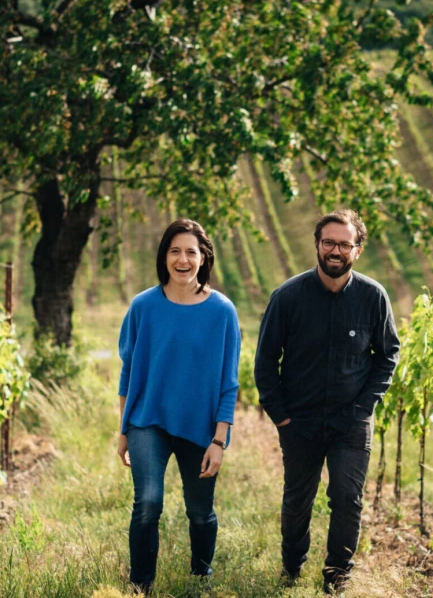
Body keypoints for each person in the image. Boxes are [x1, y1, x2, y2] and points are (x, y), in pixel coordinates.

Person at [253, 209, 400, 594]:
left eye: (344, 244)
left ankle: (337, 575)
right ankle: (292, 567)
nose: (336, 250)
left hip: (351, 421)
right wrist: (280, 416)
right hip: (298, 421)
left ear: (358, 249)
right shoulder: (287, 297)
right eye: (329, 242)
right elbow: (266, 360)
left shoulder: (373, 298)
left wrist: (364, 407)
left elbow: (388, 356)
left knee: (347, 499)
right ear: (318, 245)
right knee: (298, 500)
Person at [116, 218, 242, 594]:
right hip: (146, 421)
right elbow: (128, 370)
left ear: (204, 258)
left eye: (191, 252)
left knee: (200, 512)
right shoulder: (143, 306)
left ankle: (199, 578)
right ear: (164, 257)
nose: (182, 259)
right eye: (175, 251)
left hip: (200, 428)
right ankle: (141, 585)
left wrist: (219, 441)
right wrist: (123, 430)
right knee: (148, 503)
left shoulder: (222, 312)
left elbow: (228, 382)